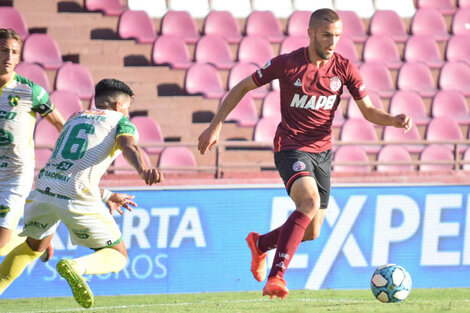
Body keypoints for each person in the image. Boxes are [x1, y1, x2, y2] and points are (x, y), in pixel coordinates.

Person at [198, 9, 413, 299]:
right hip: (290, 146)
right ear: (310, 33)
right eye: (326, 35)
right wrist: (216, 125)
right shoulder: (287, 64)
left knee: (311, 232)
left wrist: (393, 119)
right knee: (309, 201)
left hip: (323, 152)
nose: (332, 41)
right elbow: (243, 86)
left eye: (337, 35)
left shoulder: (344, 68)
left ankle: (260, 243)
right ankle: (276, 277)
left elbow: (368, 111)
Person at [0, 78, 164, 308]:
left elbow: (70, 168)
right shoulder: (121, 122)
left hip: (44, 187)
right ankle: (77, 267)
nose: (128, 112)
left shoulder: (75, 117)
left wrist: (106, 195)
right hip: (75, 196)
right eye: (128, 106)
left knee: (34, 246)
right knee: (118, 255)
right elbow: (130, 146)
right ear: (118, 106)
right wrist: (144, 169)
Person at [0, 28, 65, 262]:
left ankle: (38, 238)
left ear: (19, 57)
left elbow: (61, 125)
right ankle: (39, 238)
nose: (8, 56)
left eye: (14, 52)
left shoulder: (29, 92)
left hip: (14, 176)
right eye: (3, 50)